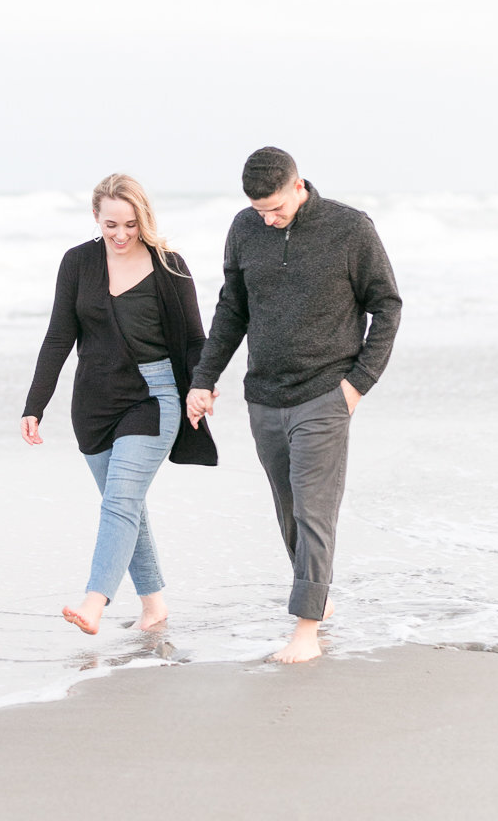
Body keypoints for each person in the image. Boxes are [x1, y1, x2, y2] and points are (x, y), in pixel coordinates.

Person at [187, 147, 401, 663]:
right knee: (288, 510)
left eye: (276, 207)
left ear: (298, 184)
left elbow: (387, 305)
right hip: (263, 395)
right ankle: (317, 599)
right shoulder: (244, 228)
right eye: (260, 210)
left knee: (313, 511)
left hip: (325, 392)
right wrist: (204, 378)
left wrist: (357, 385)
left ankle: (306, 629)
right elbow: (231, 309)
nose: (268, 217)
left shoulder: (349, 228)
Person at [21, 173, 217, 636]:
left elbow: (193, 339)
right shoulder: (77, 263)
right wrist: (35, 404)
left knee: (121, 500)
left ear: (143, 218)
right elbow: (58, 337)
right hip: (94, 401)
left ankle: (94, 601)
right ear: (96, 217)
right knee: (124, 505)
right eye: (112, 225)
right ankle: (154, 607)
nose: (122, 234)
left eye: (131, 224)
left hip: (155, 396)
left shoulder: (169, 265)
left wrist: (202, 385)